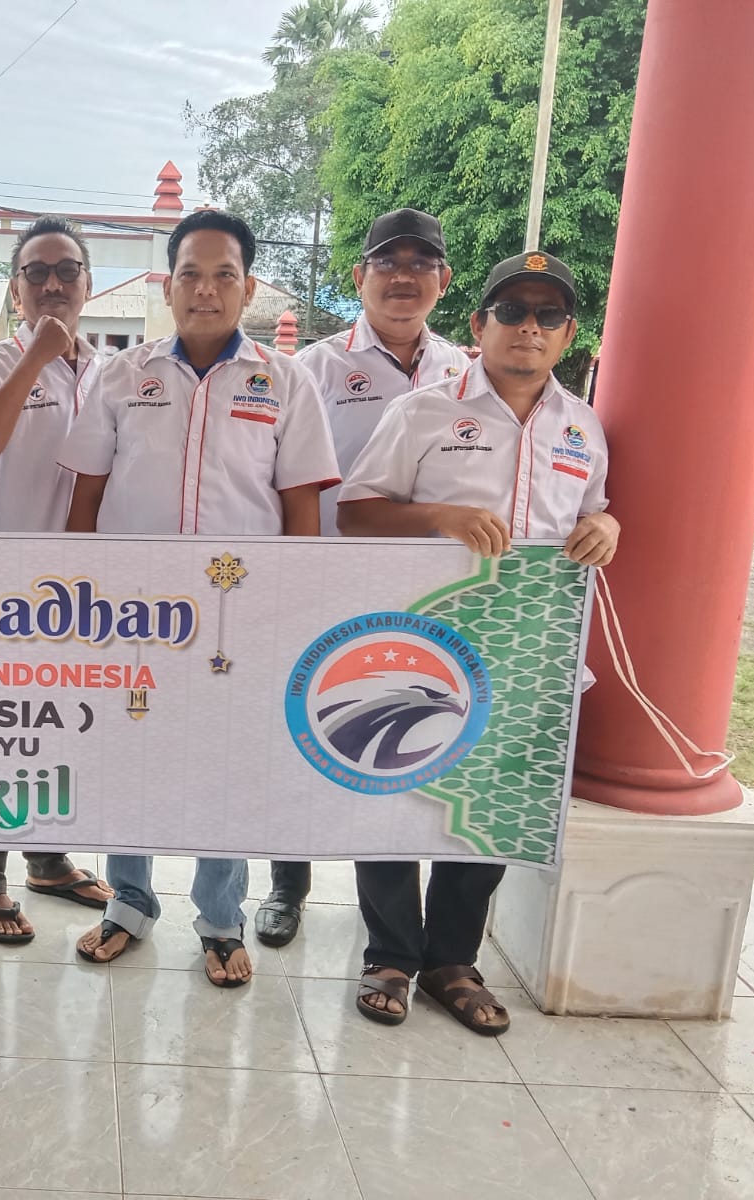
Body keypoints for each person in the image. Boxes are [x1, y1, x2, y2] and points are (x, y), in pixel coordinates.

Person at [337, 249, 620, 1035]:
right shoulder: (423, 412)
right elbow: (355, 513)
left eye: (548, 315)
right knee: (392, 787)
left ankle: (451, 961)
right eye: (512, 311)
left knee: (494, 802)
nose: (529, 326)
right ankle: (390, 955)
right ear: (479, 323)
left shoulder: (583, 427)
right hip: (421, 640)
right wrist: (440, 517)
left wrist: (606, 525)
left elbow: (593, 511)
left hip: (525, 648)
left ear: (567, 335)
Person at [59, 209, 340, 987]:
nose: (205, 290)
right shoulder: (123, 375)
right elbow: (86, 498)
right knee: (131, 757)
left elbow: (301, 507)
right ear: (169, 285)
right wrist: (80, 599)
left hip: (235, 617)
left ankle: (220, 919)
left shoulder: (284, 381)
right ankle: (128, 903)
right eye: (190, 274)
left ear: (248, 288)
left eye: (224, 276)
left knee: (227, 767)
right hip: (132, 614)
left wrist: (292, 610)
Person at [252, 209, 473, 949]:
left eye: (421, 264)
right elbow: (285, 480)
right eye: (387, 262)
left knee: (400, 738)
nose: (403, 277)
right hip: (325, 583)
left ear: (444, 280)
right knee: (299, 738)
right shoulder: (313, 368)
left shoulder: (465, 372)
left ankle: (386, 901)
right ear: (359, 277)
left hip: (431, 597)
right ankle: (288, 884)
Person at [0, 214, 115, 943]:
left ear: (88, 285)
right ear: (15, 291)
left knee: (64, 728)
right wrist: (36, 357)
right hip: (6, 587)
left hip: (92, 589)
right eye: (35, 273)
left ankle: (47, 859)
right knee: (0, 733)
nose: (52, 284)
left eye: (66, 271)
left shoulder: (114, 371)